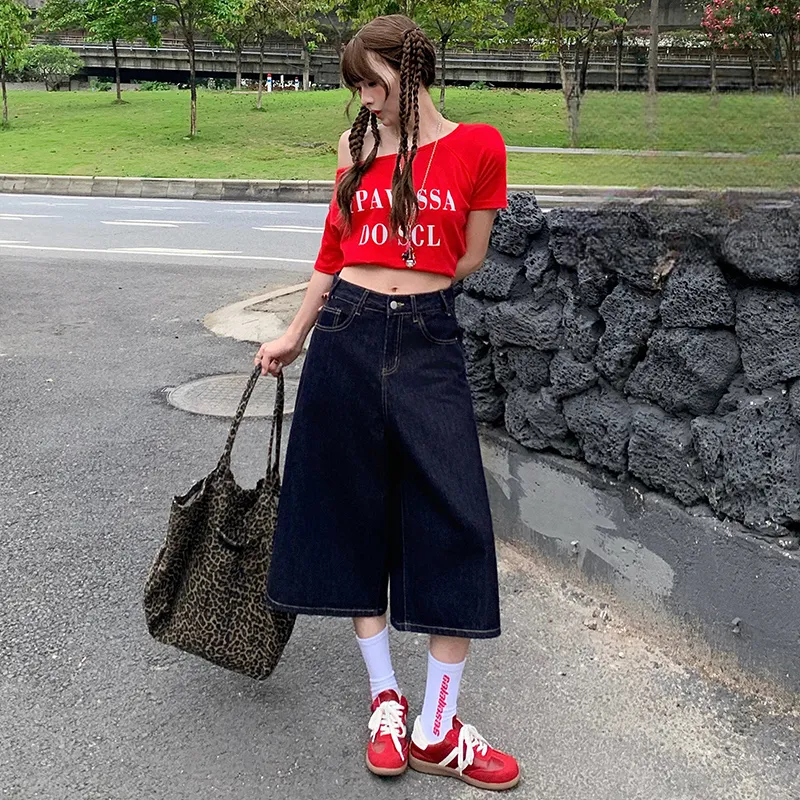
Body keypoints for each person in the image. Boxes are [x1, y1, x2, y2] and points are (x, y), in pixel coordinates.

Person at [254, 14, 520, 792]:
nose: (366, 99)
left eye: (374, 83)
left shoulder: (479, 146)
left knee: (456, 516)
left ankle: (438, 728)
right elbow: (332, 252)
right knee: (350, 512)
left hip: (429, 337)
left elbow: (470, 256)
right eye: (357, 87)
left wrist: (413, 272)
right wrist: (294, 334)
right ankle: (387, 700)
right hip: (347, 330)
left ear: (414, 73)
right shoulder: (355, 147)